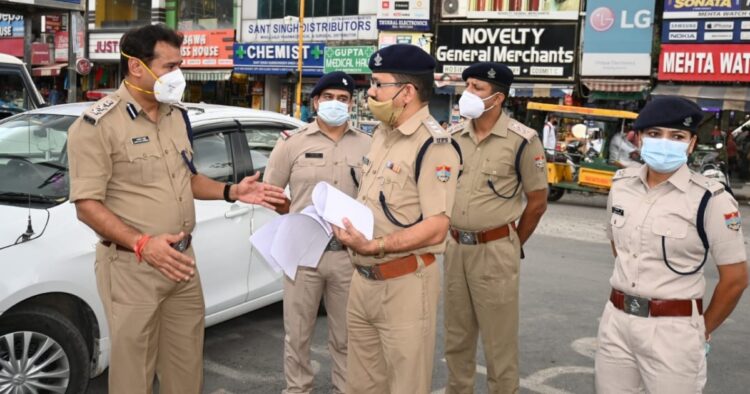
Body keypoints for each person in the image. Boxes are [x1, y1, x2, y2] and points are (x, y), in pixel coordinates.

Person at [66, 24, 285, 394]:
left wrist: (232, 191)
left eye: (179, 65)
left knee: (185, 367)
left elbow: (189, 178)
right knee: (133, 371)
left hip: (182, 263)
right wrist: (141, 244)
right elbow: (86, 205)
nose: (177, 75)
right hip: (132, 265)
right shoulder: (97, 125)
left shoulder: (175, 115)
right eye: (169, 67)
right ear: (137, 67)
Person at [596, 96, 748, 393]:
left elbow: (736, 279)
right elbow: (620, 249)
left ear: (691, 144)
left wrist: (701, 330)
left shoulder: (711, 200)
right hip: (616, 321)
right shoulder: (621, 186)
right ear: (639, 139)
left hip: (674, 330)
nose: (664, 142)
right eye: (654, 134)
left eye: (677, 136)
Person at [331, 44, 460, 394]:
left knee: (405, 386)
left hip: (404, 283)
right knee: (360, 385)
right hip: (363, 281)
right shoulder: (382, 136)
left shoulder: (435, 145)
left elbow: (437, 224)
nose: (370, 92)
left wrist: (375, 245)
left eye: (377, 83)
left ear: (406, 92)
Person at [263, 71, 371, 394]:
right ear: (315, 101)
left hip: (347, 257)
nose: (335, 104)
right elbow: (271, 191)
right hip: (303, 253)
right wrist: (293, 215)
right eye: (328, 98)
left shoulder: (369, 145)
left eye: (342, 99)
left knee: (347, 337)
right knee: (297, 334)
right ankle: (298, 390)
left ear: (352, 104)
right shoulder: (292, 144)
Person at [444, 62, 548, 393]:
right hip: (455, 247)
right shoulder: (452, 138)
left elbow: (537, 201)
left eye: (478, 88)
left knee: (498, 344)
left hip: (495, 249)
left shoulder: (522, 140)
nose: (468, 94)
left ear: (498, 97)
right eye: (467, 86)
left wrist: (514, 242)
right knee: (456, 339)